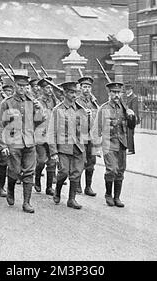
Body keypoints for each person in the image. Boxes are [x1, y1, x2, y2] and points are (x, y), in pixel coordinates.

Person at [0, 74, 46, 213]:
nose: (22, 89)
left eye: (25, 86)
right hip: (13, 142)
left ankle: (26, 202)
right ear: (14, 86)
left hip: (30, 142)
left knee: (29, 172)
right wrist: (3, 145)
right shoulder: (7, 103)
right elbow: (0, 125)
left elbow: (40, 121)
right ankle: (10, 190)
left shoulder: (32, 101)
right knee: (14, 171)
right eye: (19, 86)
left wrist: (39, 109)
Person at [92, 82, 136, 208]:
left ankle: (117, 197)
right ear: (109, 93)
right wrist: (97, 148)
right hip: (108, 143)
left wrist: (131, 116)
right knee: (112, 169)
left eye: (118, 92)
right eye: (114, 92)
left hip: (121, 143)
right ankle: (108, 194)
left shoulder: (124, 107)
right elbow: (97, 129)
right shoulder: (104, 108)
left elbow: (131, 126)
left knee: (120, 171)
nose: (116, 95)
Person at [48, 81, 88, 210]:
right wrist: (53, 152)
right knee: (63, 172)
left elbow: (87, 130)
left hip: (78, 147)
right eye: (71, 92)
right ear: (64, 93)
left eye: (76, 92)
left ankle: (71, 199)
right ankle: (58, 191)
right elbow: (51, 132)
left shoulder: (81, 109)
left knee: (76, 173)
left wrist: (89, 118)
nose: (74, 95)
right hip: (63, 147)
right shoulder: (57, 110)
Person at [33, 77, 59, 195]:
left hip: (53, 135)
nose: (50, 89)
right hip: (40, 135)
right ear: (42, 89)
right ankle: (37, 179)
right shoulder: (37, 101)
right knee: (42, 160)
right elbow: (34, 119)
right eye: (47, 87)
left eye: (51, 87)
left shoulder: (55, 101)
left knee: (52, 161)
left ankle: (49, 187)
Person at [76, 76, 98, 196]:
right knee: (80, 160)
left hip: (92, 136)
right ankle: (78, 184)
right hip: (81, 135)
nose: (87, 89)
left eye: (89, 87)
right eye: (84, 87)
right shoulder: (77, 101)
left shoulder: (93, 101)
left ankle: (88, 187)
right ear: (80, 88)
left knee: (91, 161)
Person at [123, 82, 140, 155]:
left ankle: (131, 149)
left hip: (131, 118)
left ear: (131, 89)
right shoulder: (126, 96)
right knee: (126, 133)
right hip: (126, 117)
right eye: (126, 89)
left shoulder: (134, 97)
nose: (127, 91)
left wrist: (134, 118)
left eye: (128, 89)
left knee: (130, 134)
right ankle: (127, 148)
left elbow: (135, 109)